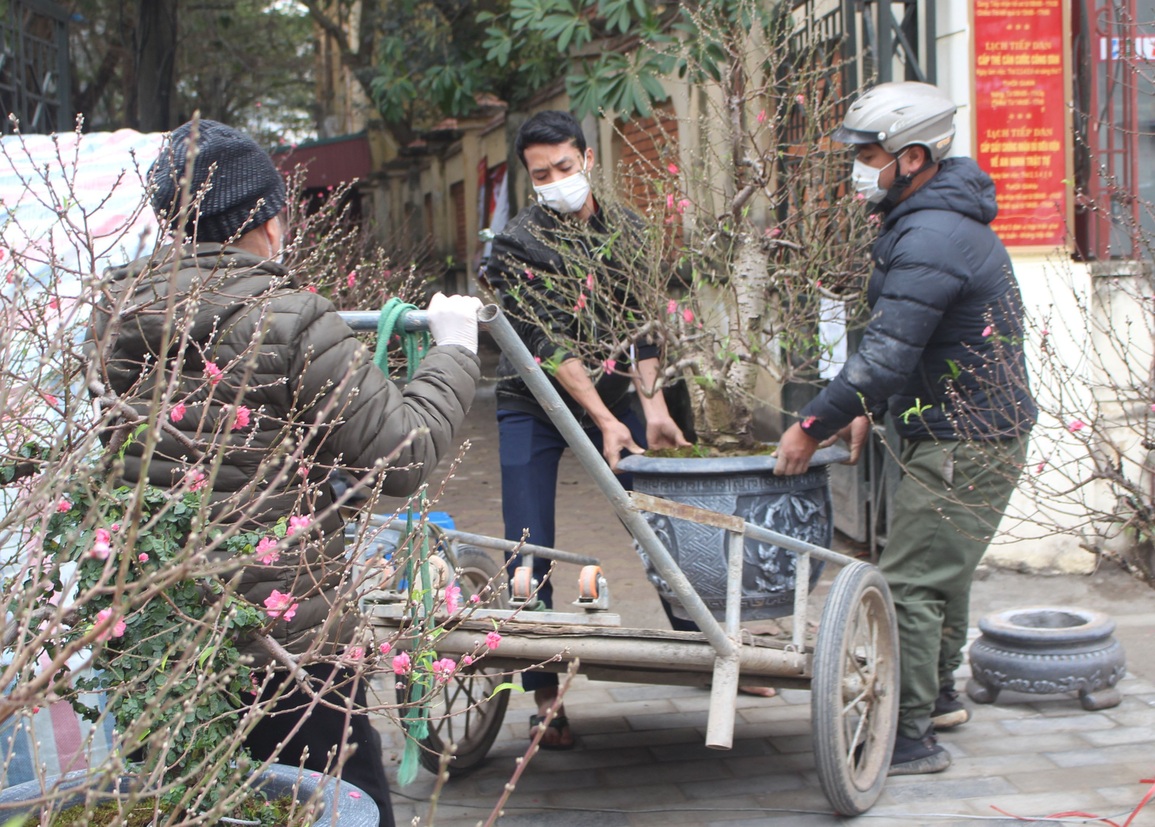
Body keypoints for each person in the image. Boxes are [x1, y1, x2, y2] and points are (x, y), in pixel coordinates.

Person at [86, 119, 484, 827]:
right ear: (269, 218)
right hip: (286, 640)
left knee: (190, 806)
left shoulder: (115, 312)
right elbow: (402, 455)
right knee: (342, 802)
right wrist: (452, 350)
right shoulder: (292, 317)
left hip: (156, 627)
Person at [773, 82, 1037, 776]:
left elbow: (887, 352)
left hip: (961, 436)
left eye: (867, 155)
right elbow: (918, 339)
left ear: (912, 156)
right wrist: (866, 407)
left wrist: (811, 424)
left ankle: (909, 732)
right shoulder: (933, 218)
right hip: (964, 425)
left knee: (912, 582)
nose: (857, 168)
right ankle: (938, 694)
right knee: (941, 571)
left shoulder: (929, 232)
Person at [482, 110, 690, 749]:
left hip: (617, 388)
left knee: (669, 501)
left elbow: (642, 326)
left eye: (564, 168)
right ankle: (545, 692)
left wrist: (652, 409)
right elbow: (547, 345)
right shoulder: (516, 245)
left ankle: (702, 637)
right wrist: (602, 422)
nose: (555, 182)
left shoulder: (626, 229)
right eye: (541, 174)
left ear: (589, 160)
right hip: (534, 399)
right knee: (528, 536)